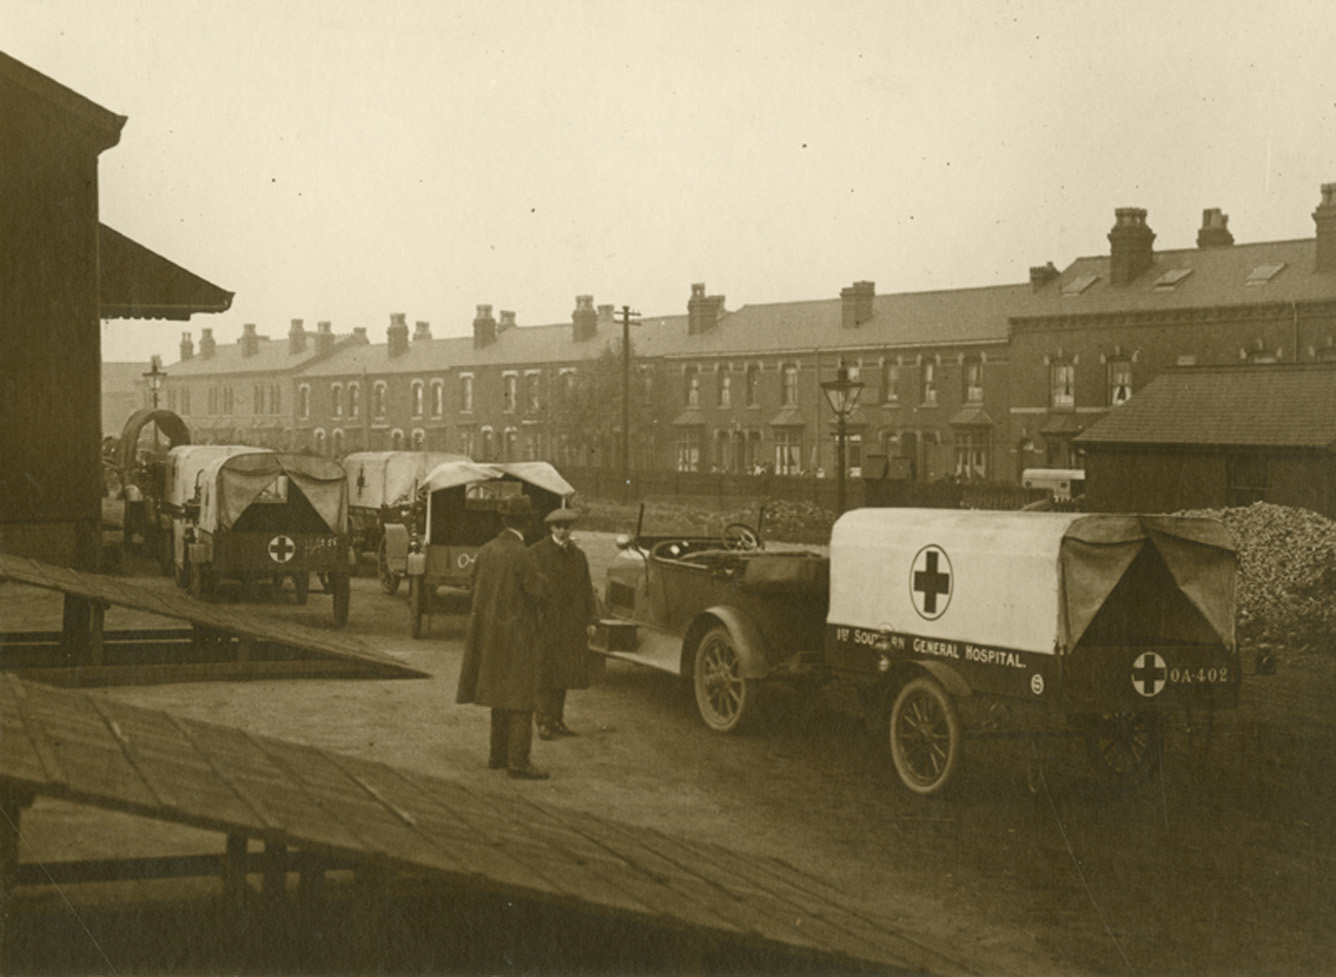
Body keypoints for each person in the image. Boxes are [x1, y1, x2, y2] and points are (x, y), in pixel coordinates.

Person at [455, 496, 550, 780]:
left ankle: (497, 756)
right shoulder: (523, 554)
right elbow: (538, 592)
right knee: (521, 697)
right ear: (528, 522)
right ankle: (518, 762)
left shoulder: (486, 550)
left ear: (504, 520)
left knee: (499, 695)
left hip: (490, 636)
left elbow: (474, 587)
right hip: (518, 637)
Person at [530, 508, 598, 741]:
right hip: (547, 623)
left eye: (567, 527)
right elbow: (531, 590)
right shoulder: (537, 552)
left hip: (571, 624)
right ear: (551, 528)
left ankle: (557, 719)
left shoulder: (578, 556)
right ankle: (543, 721)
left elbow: (586, 589)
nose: (563, 531)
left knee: (564, 672)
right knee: (545, 672)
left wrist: (591, 620)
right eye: (558, 527)